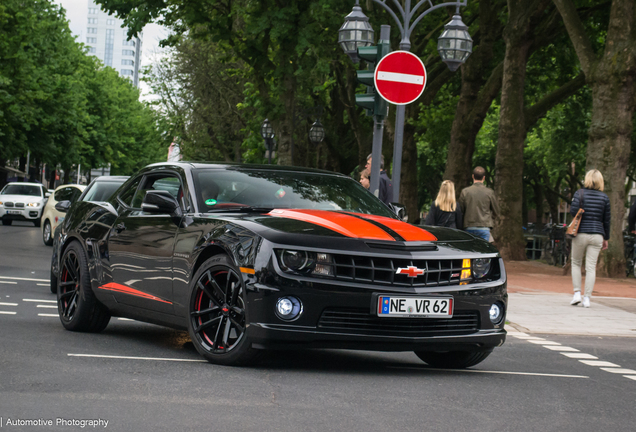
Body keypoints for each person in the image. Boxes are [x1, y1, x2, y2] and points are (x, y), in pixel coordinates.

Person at [569, 169, 610, 308]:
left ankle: (576, 294)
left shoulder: (579, 193)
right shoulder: (604, 198)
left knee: (576, 263)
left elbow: (573, 212)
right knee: (591, 267)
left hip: (580, 232)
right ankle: (587, 298)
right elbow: (607, 220)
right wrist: (606, 237)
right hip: (597, 234)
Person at [458, 166, 500, 241]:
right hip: (484, 227)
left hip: (469, 226)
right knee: (483, 251)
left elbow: (460, 210)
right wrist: (490, 220)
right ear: (484, 178)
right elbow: (496, 211)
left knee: (471, 251)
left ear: (473, 176)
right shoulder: (489, 192)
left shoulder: (465, 192)